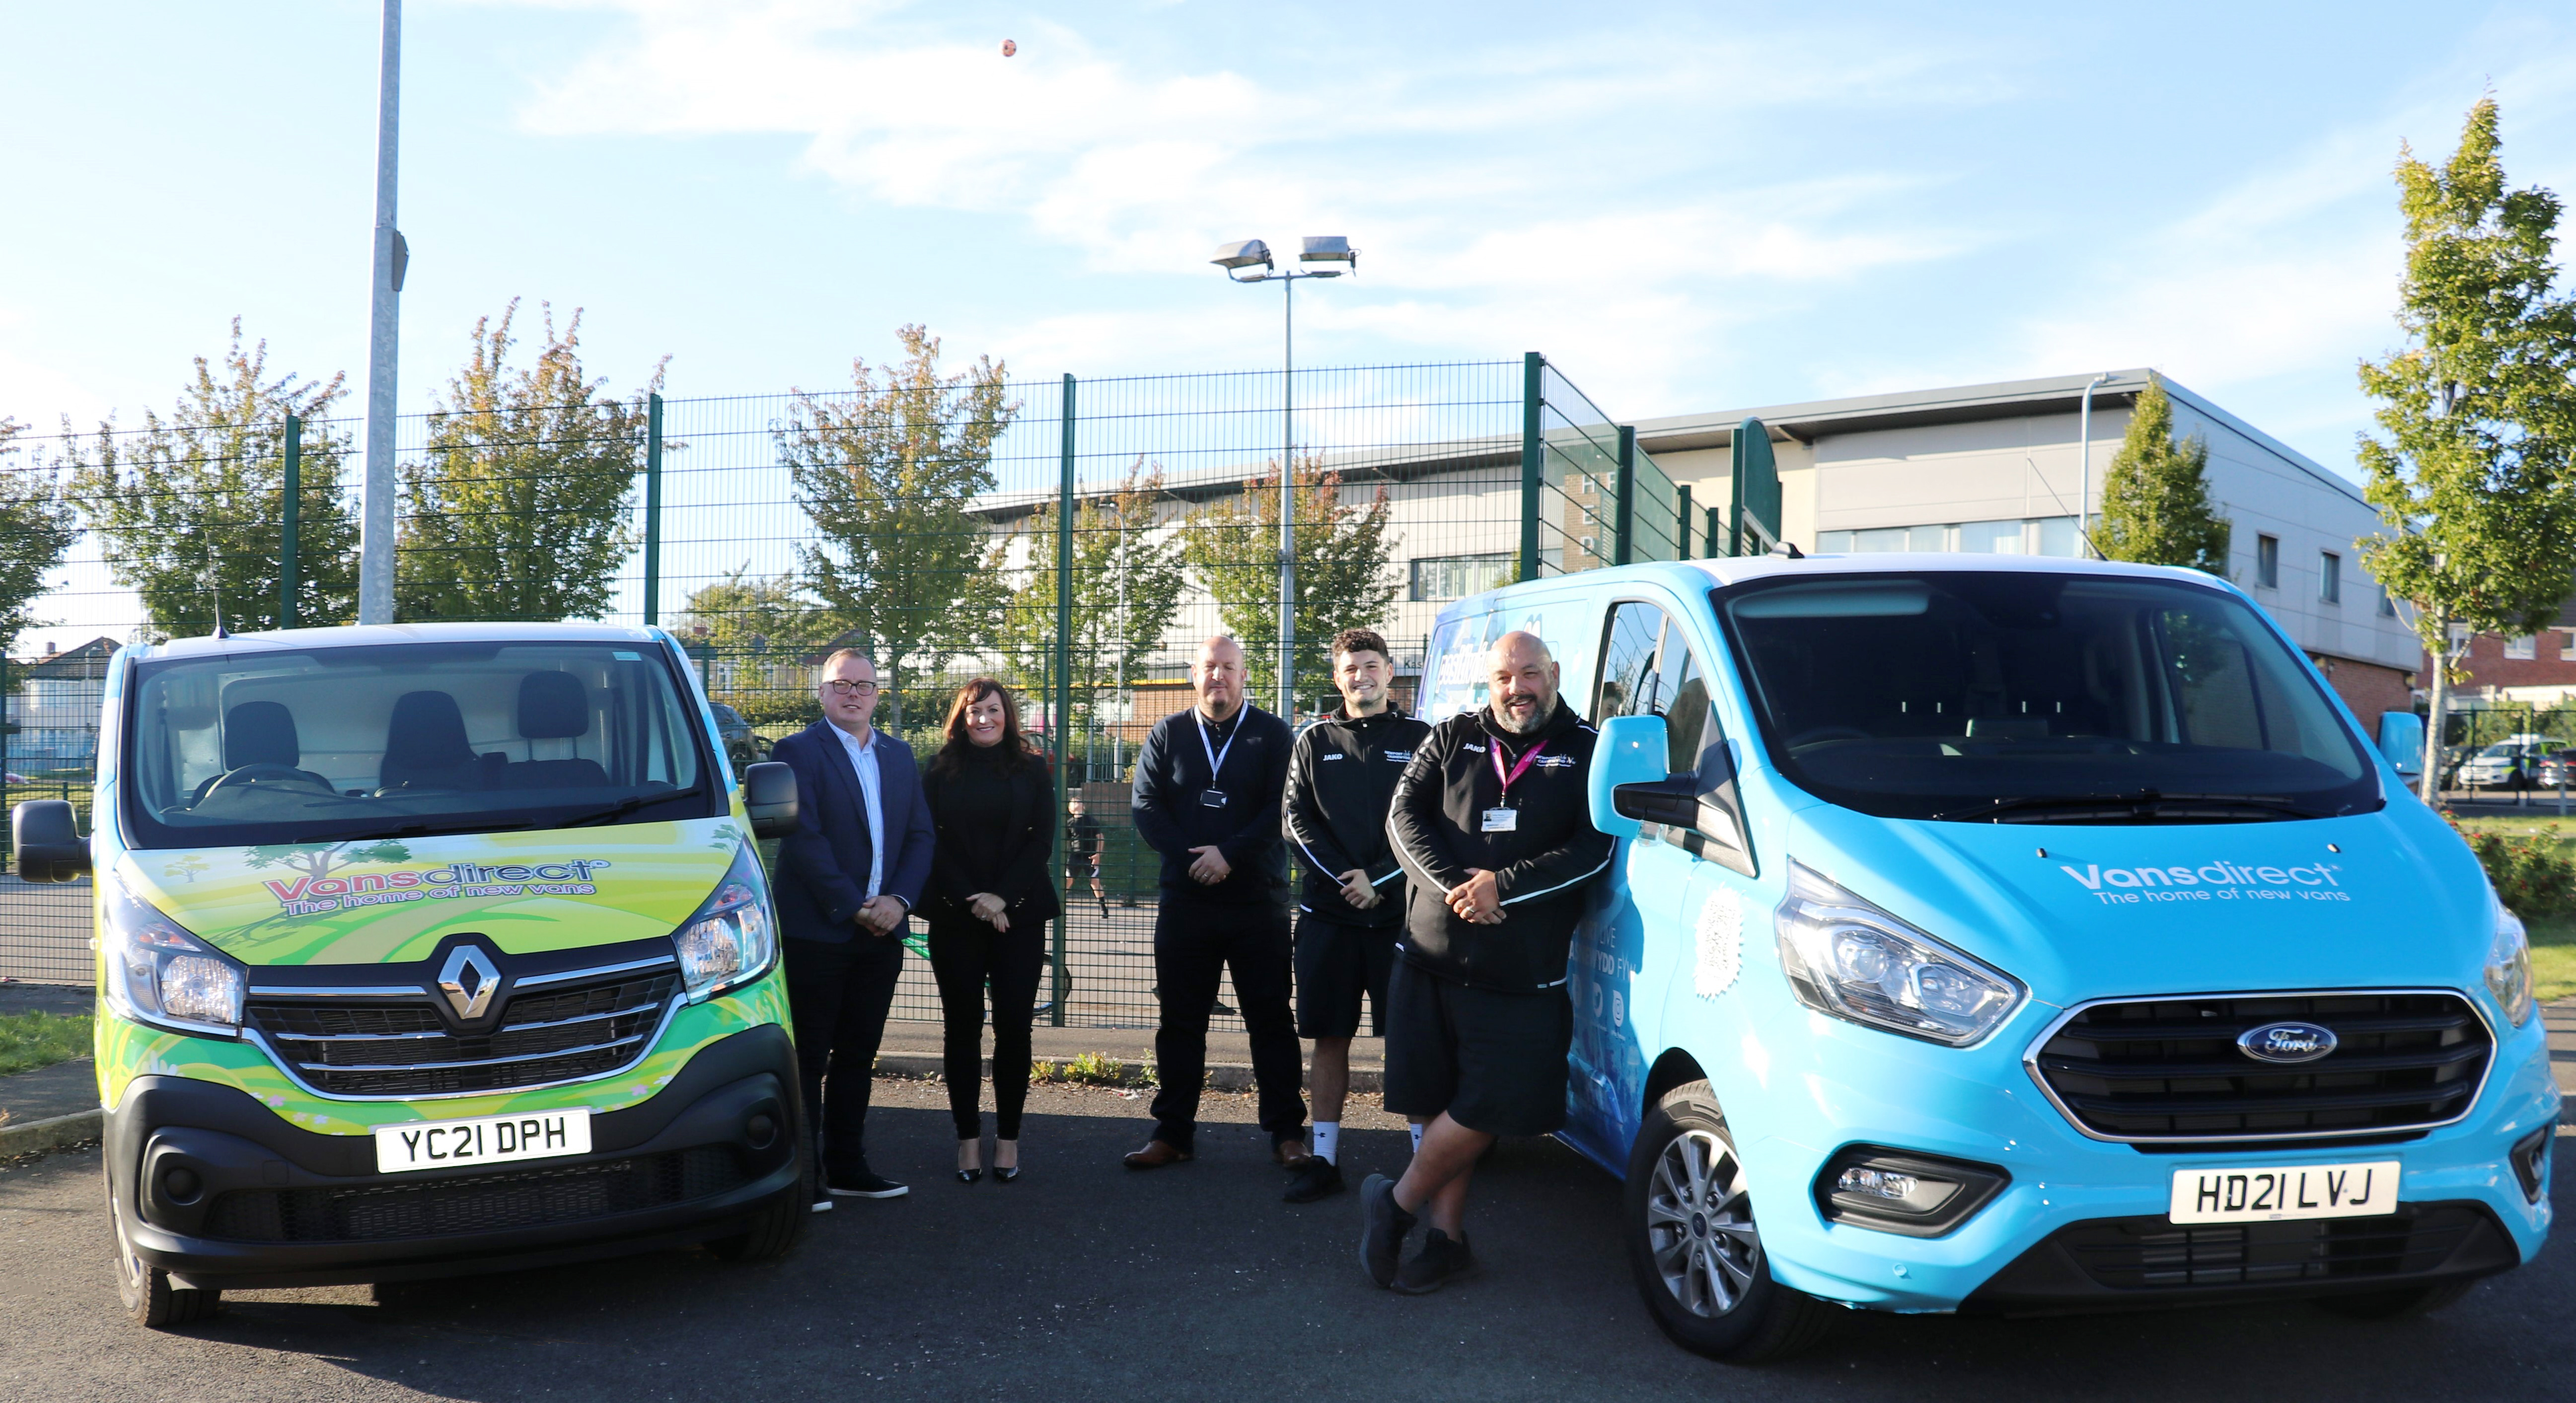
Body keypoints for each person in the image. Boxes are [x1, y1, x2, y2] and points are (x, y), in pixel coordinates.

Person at [1362, 631, 1611, 1292]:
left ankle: (1393, 1204)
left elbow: (1595, 847)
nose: (1516, 688)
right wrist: (1456, 886)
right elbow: (1401, 821)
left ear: (1553, 673)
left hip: (1521, 969)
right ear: (1487, 680)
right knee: (1436, 1102)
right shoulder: (1449, 736)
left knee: (1489, 1102)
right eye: (1503, 676)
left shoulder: (1587, 750)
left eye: (1529, 674)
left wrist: (1503, 884)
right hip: (1429, 954)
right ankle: (1445, 1240)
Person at [1122, 635, 1307, 1172]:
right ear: (1193, 674)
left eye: (1228, 667)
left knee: (1271, 1020)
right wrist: (1192, 857)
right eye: (1209, 667)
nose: (1218, 677)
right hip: (1187, 903)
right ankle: (1173, 1133)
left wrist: (1229, 854)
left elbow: (1283, 807)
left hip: (1258, 904)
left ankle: (1286, 1134)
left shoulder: (1273, 734)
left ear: (1245, 675)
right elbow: (1145, 806)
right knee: (1180, 1022)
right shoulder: (1168, 732)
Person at [771, 649, 936, 1207]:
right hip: (818, 933)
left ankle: (848, 1166)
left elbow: (920, 837)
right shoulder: (795, 751)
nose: (853, 694)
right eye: (841, 684)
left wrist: (899, 901)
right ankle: (806, 1176)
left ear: (877, 696)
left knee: (858, 1056)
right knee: (810, 1058)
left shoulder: (898, 754)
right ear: (821, 692)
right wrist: (854, 905)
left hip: (882, 935)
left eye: (865, 686)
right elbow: (804, 840)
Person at [1278, 628, 1431, 1204]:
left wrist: (1382, 880)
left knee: (1411, 1041)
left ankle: (1425, 1160)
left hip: (1402, 919)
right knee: (1329, 1037)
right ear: (1337, 677)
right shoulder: (1313, 740)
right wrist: (1350, 880)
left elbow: (1430, 822)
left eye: (1371, 665)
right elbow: (1296, 822)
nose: (1361, 676)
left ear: (1390, 672)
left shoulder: (1422, 738)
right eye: (1349, 668)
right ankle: (1324, 1160)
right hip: (1330, 915)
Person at [920, 678, 1058, 1186]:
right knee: (962, 1029)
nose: (984, 718)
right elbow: (928, 840)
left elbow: (1041, 839)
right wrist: (974, 901)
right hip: (957, 916)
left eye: (993, 710)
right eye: (974, 710)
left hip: (1018, 916)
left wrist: (1004, 898)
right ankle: (967, 1142)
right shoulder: (938, 769)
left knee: (1014, 1030)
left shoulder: (1030, 769)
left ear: (1008, 715)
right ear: (961, 716)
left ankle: (1008, 1141)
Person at [1065, 797, 1109, 917]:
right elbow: (1067, 840)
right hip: (1075, 857)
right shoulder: (1069, 823)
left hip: (1089, 856)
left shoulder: (1090, 820)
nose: (1077, 803)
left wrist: (1098, 855)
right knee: (1067, 881)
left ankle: (1103, 909)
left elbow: (1100, 837)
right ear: (1070, 808)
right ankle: (1059, 906)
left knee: (1095, 882)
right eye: (1074, 802)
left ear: (1083, 806)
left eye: (1079, 801)